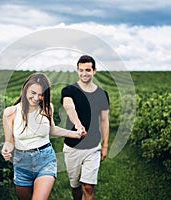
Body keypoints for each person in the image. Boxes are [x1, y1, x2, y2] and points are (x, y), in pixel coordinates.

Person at [1, 73, 82, 200]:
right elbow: (9, 141)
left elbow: (51, 129)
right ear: (25, 89)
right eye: (33, 93)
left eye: (41, 94)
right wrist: (6, 149)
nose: (36, 98)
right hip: (22, 163)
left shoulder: (47, 108)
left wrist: (75, 134)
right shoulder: (10, 113)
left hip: (45, 159)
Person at [61, 55, 110, 200]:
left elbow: (104, 120)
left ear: (94, 71)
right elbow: (69, 107)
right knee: (75, 187)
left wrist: (105, 146)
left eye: (88, 70)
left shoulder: (102, 94)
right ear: (77, 70)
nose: (84, 73)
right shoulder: (68, 90)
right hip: (72, 146)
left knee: (88, 186)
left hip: (93, 146)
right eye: (81, 70)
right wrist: (77, 124)